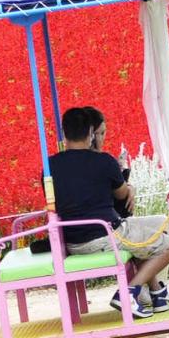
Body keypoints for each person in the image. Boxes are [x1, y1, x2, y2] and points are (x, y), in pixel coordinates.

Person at [44, 104, 132, 255]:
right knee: (165, 238)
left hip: (71, 242)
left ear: (64, 132)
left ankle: (146, 279)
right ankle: (136, 280)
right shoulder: (104, 161)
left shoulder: (49, 166)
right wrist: (129, 188)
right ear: (90, 132)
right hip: (105, 235)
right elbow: (122, 195)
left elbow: (53, 202)